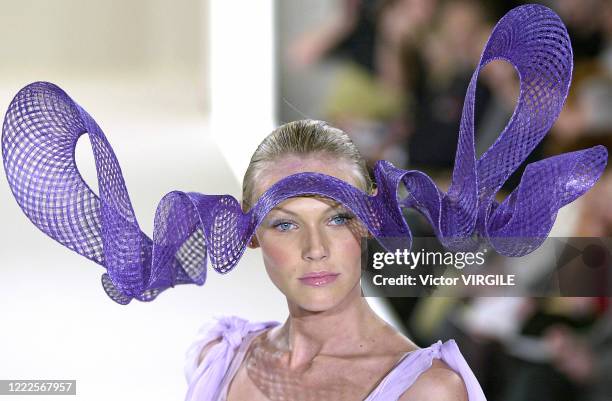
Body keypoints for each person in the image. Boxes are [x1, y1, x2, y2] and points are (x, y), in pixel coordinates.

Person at [184, 120, 485, 400]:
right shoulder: (218, 359)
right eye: (285, 225)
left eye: (338, 219)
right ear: (249, 232)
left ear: (372, 217)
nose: (315, 249)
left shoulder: (427, 391)